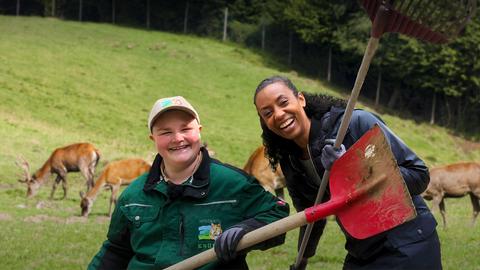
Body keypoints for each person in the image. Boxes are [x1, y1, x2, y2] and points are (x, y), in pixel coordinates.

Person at [253, 76, 441, 270]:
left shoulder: (353, 124)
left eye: (283, 103)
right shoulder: (291, 160)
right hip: (362, 249)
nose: (279, 114)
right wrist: (302, 261)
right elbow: (311, 217)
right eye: (268, 113)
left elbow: (419, 176)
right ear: (265, 122)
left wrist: (352, 167)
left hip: (408, 242)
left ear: (300, 99)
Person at [88, 96, 289, 269]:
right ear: (153, 138)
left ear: (199, 131)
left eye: (186, 128)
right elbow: (115, 251)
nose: (178, 138)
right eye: (166, 132)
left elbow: (277, 214)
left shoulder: (232, 183)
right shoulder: (134, 195)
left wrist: (246, 229)